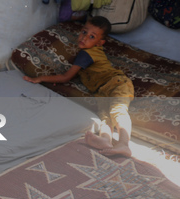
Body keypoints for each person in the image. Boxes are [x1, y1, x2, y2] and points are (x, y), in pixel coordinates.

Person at [23, 16, 134, 157]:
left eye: (92, 36)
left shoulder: (86, 54)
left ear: (100, 43)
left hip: (117, 84)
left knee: (117, 112)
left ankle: (124, 144)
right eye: (84, 32)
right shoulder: (88, 53)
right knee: (105, 117)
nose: (84, 38)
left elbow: (65, 77)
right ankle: (105, 140)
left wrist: (39, 78)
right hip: (101, 91)